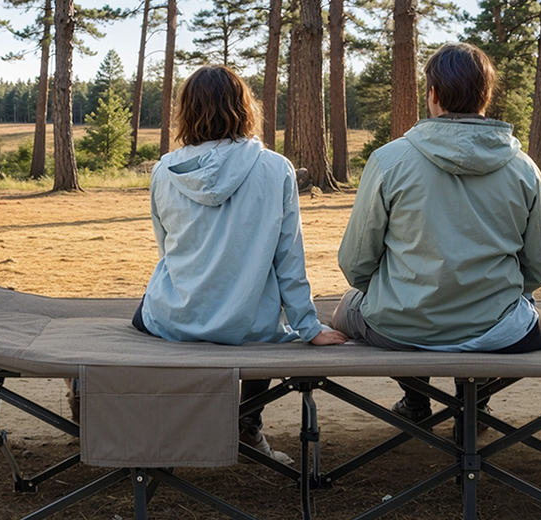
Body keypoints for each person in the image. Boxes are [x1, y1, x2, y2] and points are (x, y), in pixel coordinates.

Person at [76, 64, 346, 466]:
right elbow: (289, 258)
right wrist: (308, 327)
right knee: (260, 322)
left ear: (186, 112)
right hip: (248, 326)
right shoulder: (276, 169)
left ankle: (154, 420)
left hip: (174, 318)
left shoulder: (164, 170)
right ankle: (247, 426)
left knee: (145, 318)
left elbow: (168, 249)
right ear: (244, 108)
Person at [333, 43, 541, 423]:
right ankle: (474, 406)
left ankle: (416, 401)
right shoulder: (523, 168)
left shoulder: (388, 160)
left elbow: (356, 262)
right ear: (485, 96)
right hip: (496, 329)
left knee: (347, 308)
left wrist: (398, 293)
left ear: (434, 94)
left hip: (400, 325)